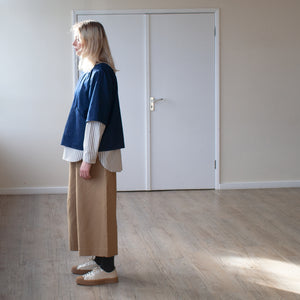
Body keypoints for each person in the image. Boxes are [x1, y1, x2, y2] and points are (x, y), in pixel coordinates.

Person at [61, 20, 124, 286]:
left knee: (101, 210)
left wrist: (88, 158)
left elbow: (95, 120)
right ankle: (98, 259)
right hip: (84, 153)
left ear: (91, 41)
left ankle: (107, 267)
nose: (74, 44)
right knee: (86, 209)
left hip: (95, 156)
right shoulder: (90, 72)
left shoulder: (101, 73)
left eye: (79, 39)